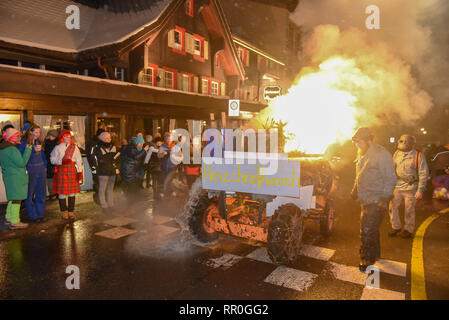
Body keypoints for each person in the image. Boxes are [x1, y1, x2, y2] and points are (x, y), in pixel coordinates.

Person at [350, 128, 397, 272]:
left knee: (366, 230)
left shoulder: (381, 154)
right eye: (356, 141)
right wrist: (354, 189)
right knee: (372, 229)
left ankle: (367, 259)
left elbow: (390, 178)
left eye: (359, 141)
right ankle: (375, 254)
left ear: (369, 140)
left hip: (376, 199)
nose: (357, 144)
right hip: (366, 198)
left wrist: (384, 198)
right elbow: (360, 174)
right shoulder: (362, 153)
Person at [388, 135, 429, 238]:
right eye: (400, 141)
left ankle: (408, 230)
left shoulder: (418, 156)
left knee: (409, 210)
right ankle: (396, 226)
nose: (401, 143)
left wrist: (420, 190)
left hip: (411, 188)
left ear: (410, 143)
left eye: (404, 141)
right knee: (392, 207)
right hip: (398, 186)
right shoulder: (397, 154)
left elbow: (424, 173)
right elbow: (392, 170)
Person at [0, 128, 32, 229]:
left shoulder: (3, 148)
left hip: (9, 176)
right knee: (17, 199)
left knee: (13, 197)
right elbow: (22, 163)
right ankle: (15, 221)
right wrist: (28, 149)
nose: (20, 138)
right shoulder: (12, 149)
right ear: (12, 138)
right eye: (17, 136)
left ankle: (9, 217)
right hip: (16, 177)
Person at [51, 129, 84, 220]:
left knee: (71, 193)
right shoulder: (57, 148)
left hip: (71, 170)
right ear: (62, 137)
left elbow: (79, 160)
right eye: (65, 136)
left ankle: (71, 211)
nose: (68, 138)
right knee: (62, 193)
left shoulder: (75, 147)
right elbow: (52, 159)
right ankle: (64, 211)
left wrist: (79, 171)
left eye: (69, 137)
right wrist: (61, 161)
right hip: (61, 170)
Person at [18, 123, 47, 223]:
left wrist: (44, 166)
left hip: (41, 169)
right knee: (29, 194)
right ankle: (33, 215)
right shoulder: (23, 142)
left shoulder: (39, 141)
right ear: (30, 131)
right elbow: (22, 157)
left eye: (39, 132)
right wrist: (31, 150)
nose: (38, 134)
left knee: (41, 193)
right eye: (36, 132)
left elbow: (42, 155)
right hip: (30, 170)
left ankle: (40, 214)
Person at [91, 132, 120, 213]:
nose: (109, 139)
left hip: (112, 170)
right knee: (102, 189)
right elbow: (101, 160)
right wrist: (112, 157)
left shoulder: (113, 146)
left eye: (110, 137)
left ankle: (111, 204)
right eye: (107, 138)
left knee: (110, 189)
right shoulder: (97, 147)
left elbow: (117, 159)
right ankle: (104, 206)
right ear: (102, 139)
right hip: (103, 171)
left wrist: (115, 165)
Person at [120, 135, 149, 202]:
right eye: (140, 143)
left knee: (135, 188)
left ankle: (133, 202)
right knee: (131, 188)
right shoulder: (131, 148)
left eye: (142, 143)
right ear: (136, 143)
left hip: (135, 171)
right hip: (129, 171)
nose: (142, 145)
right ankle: (130, 203)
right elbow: (136, 157)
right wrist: (144, 150)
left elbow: (142, 160)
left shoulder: (139, 149)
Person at [158, 133, 183, 198]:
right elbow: (159, 155)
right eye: (167, 139)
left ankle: (162, 192)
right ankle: (172, 191)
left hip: (172, 167)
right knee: (168, 180)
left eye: (170, 139)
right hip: (164, 167)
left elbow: (180, 156)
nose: (168, 140)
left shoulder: (176, 146)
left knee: (166, 180)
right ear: (165, 139)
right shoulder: (162, 146)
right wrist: (162, 154)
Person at [86, 128, 106, 204]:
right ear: (100, 135)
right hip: (96, 166)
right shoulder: (93, 143)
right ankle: (99, 198)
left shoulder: (100, 142)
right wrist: (94, 167)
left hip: (101, 166)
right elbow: (91, 156)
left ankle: (102, 198)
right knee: (98, 181)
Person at [44, 130, 59, 200]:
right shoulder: (46, 143)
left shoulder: (58, 143)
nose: (50, 137)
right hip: (49, 163)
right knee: (50, 179)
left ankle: (57, 193)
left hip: (56, 163)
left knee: (56, 179)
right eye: (49, 135)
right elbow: (46, 153)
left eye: (51, 136)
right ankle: (51, 193)